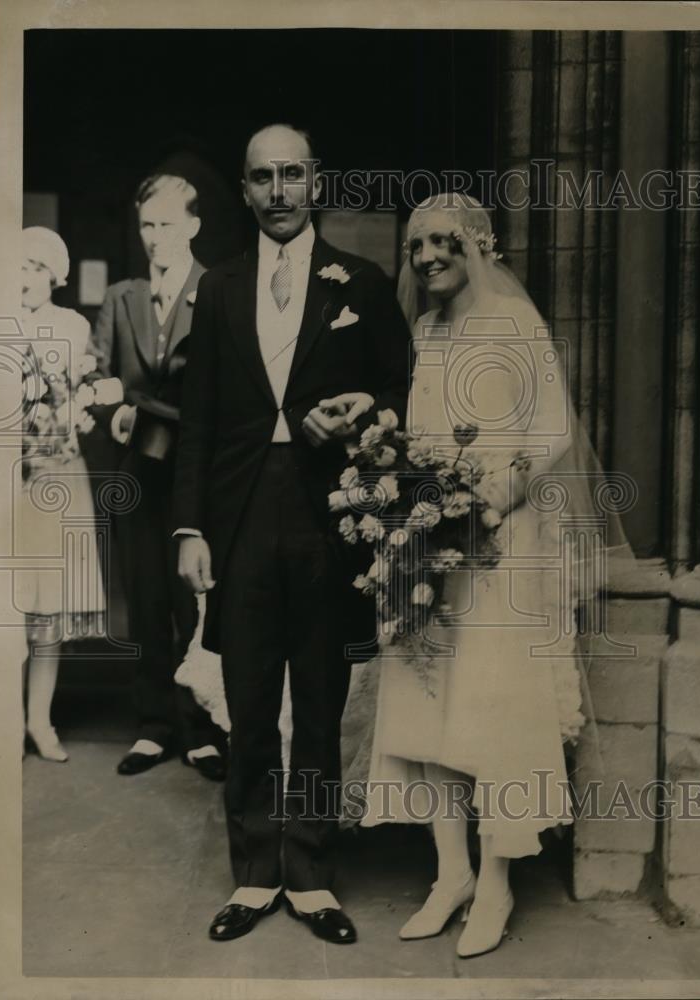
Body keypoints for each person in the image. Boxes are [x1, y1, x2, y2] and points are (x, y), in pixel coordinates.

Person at [323, 193, 634, 959]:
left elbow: (553, 426)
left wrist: (499, 489)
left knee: (493, 709)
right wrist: (388, 468)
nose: (427, 255)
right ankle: (450, 872)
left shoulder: (512, 325)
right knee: (424, 703)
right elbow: (424, 435)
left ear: (476, 247)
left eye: (443, 242)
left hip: (500, 544)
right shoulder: (424, 333)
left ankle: (495, 882)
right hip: (429, 541)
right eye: (416, 244)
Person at [173, 124, 412, 945]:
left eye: (291, 174)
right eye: (261, 178)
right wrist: (189, 528)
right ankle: (253, 872)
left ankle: (310, 874)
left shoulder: (364, 285)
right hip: (238, 521)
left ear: (316, 182)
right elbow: (198, 421)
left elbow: (400, 391)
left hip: (326, 518)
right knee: (246, 705)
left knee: (316, 703)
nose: (277, 191)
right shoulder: (222, 288)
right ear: (244, 191)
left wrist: (365, 416)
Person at [89, 174, 227, 780]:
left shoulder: (219, 290)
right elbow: (94, 377)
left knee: (193, 600)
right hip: (138, 473)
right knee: (143, 598)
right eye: (147, 224)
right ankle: (153, 726)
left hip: (197, 474)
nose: (155, 237)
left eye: (168, 224)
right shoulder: (120, 297)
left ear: (193, 226)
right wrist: (109, 403)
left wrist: (135, 402)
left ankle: (201, 728)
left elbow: (216, 397)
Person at [17, 226, 105, 762]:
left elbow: (88, 392)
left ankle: (39, 720)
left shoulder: (71, 327)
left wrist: (78, 411)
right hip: (8, 479)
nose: (25, 278)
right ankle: (6, 719)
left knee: (47, 606)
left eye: (35, 268)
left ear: (54, 275)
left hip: (56, 474)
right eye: (17, 266)